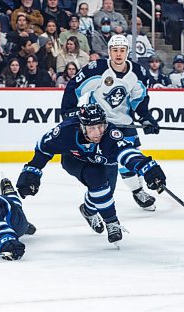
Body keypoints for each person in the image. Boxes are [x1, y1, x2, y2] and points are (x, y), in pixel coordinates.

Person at [15, 104, 166, 244]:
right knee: (98, 182)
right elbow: (43, 148)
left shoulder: (111, 135)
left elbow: (127, 153)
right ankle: (112, 222)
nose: (98, 132)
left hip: (105, 163)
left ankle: (88, 210)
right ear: (82, 127)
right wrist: (32, 171)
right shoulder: (65, 131)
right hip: (74, 160)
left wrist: (148, 168)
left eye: (101, 126)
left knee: (104, 195)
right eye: (92, 128)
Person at [61, 35, 161, 211]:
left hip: (124, 122)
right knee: (109, 164)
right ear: (109, 52)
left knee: (131, 157)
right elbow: (74, 87)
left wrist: (145, 117)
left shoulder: (137, 72)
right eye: (115, 50)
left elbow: (140, 98)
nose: (118, 54)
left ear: (127, 52)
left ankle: (137, 191)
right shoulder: (97, 69)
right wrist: (68, 111)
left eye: (122, 50)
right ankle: (97, 200)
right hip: (101, 125)